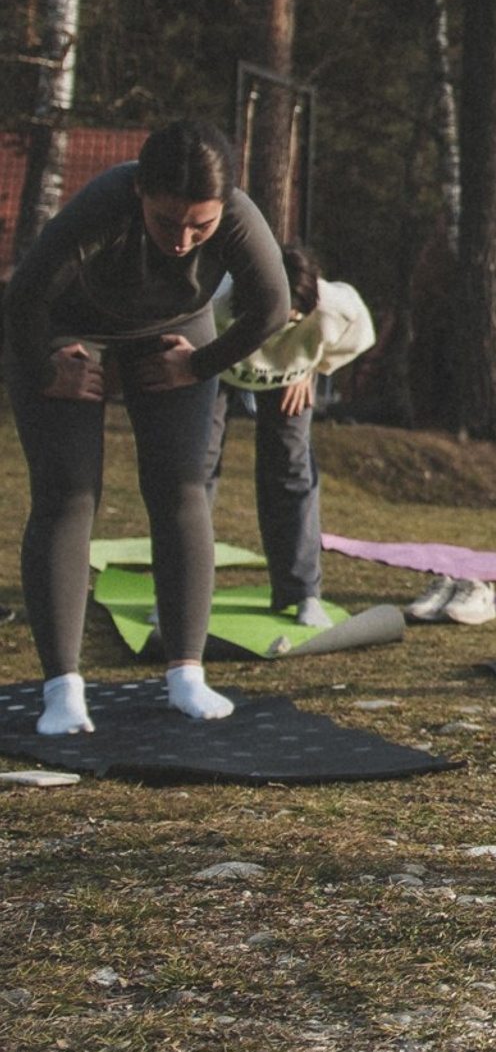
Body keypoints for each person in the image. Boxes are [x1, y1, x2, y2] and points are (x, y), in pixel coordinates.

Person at [4, 119, 292, 733]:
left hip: (174, 334)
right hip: (68, 330)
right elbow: (22, 297)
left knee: (182, 488)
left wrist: (200, 366)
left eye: (201, 225)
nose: (183, 240)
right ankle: (62, 689)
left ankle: (187, 674)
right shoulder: (104, 204)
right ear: (140, 193)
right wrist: (43, 370)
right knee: (69, 494)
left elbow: (271, 306)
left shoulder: (238, 216)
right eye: (167, 223)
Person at [214, 245, 377, 625]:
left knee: (291, 469)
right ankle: (175, 593)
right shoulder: (216, 297)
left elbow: (360, 335)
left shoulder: (336, 307)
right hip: (216, 366)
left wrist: (313, 366)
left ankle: (302, 592)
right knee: (195, 470)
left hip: (289, 376)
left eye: (289, 321)